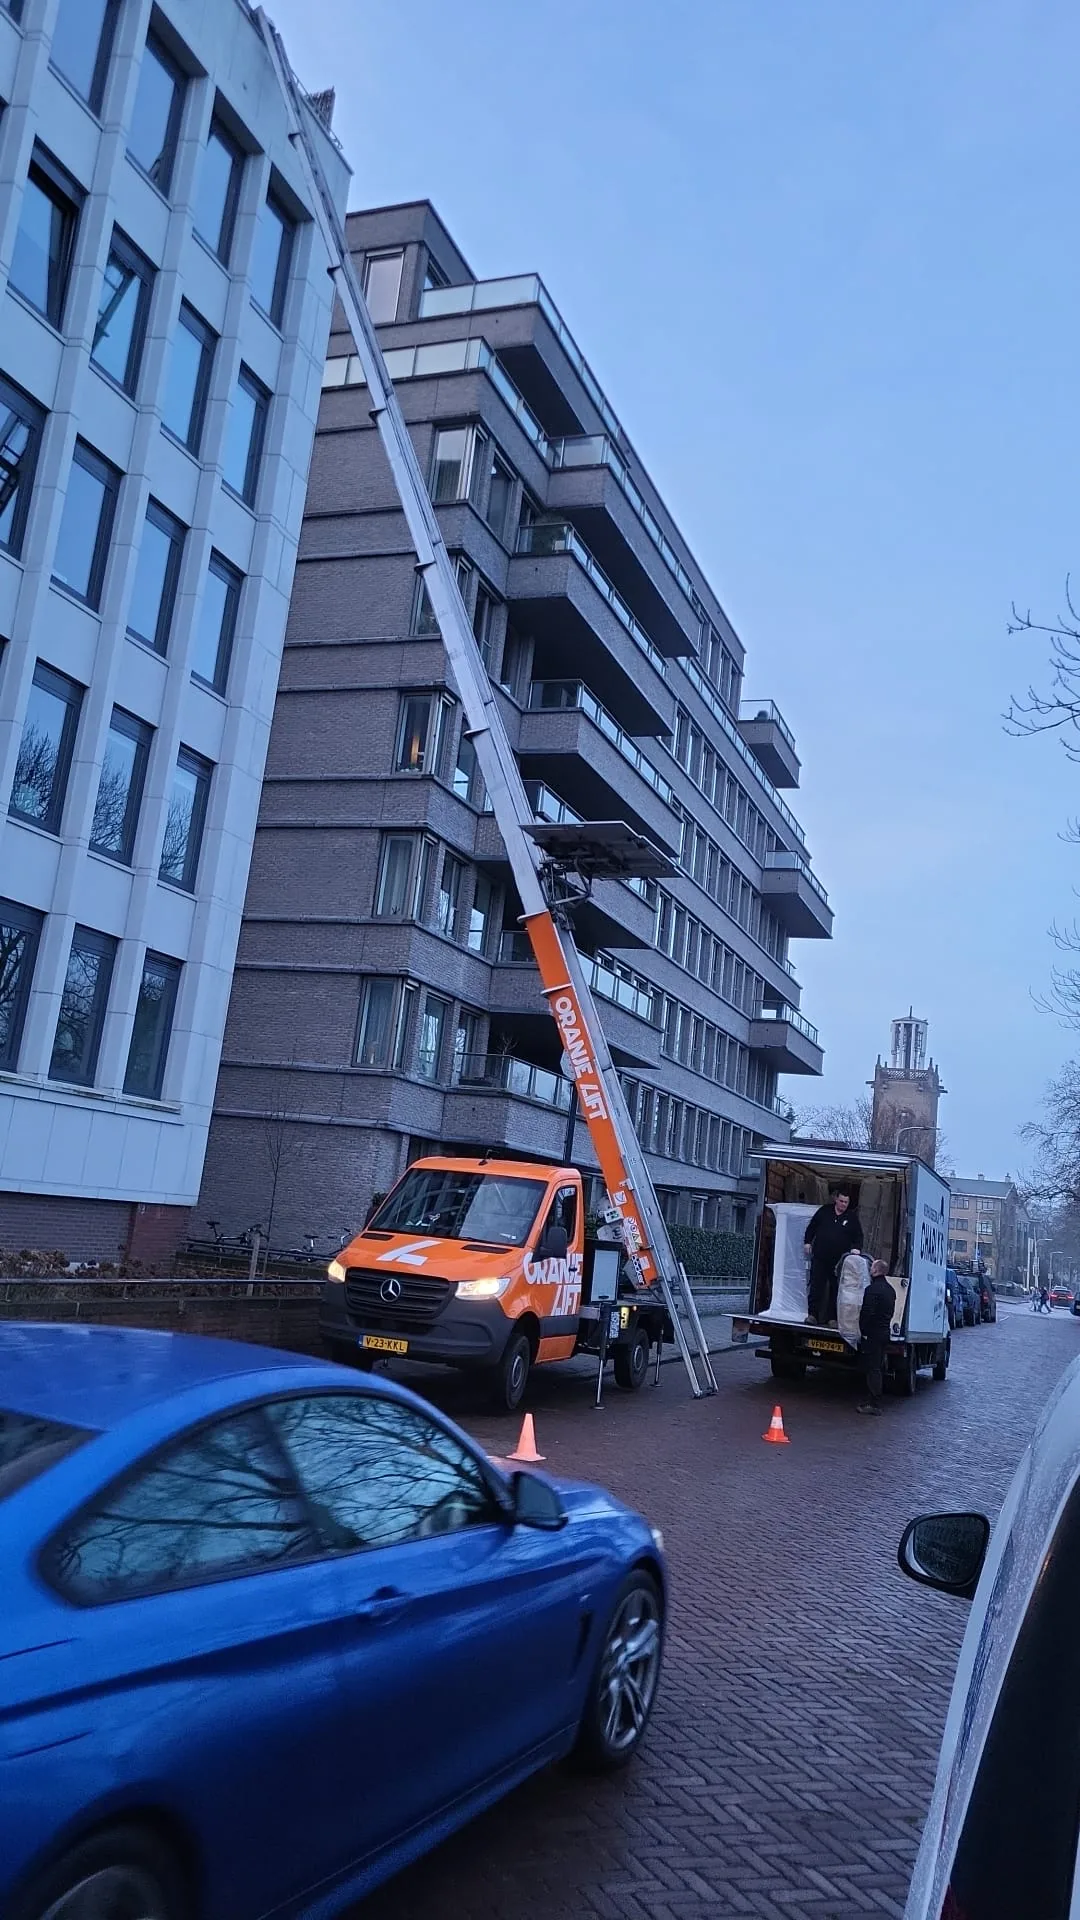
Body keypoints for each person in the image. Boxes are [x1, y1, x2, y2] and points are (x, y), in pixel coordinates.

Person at [803, 1186, 864, 1326]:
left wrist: (856, 1248)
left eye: (846, 1202)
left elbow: (859, 1236)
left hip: (838, 1261)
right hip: (820, 1256)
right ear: (836, 1199)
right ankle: (812, 1315)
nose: (843, 1204)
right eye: (841, 1201)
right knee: (816, 1286)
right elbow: (812, 1227)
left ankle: (833, 1318)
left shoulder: (851, 1218)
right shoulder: (824, 1211)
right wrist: (807, 1242)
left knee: (836, 1289)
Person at [856, 1258, 896, 1416]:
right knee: (877, 1366)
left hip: (872, 1334)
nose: (870, 1270)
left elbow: (867, 1312)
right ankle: (872, 1400)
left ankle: (873, 1403)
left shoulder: (872, 1290)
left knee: (873, 1369)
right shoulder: (890, 1290)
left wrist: (863, 1330)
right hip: (884, 1332)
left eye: (872, 1267)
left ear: (876, 1271)